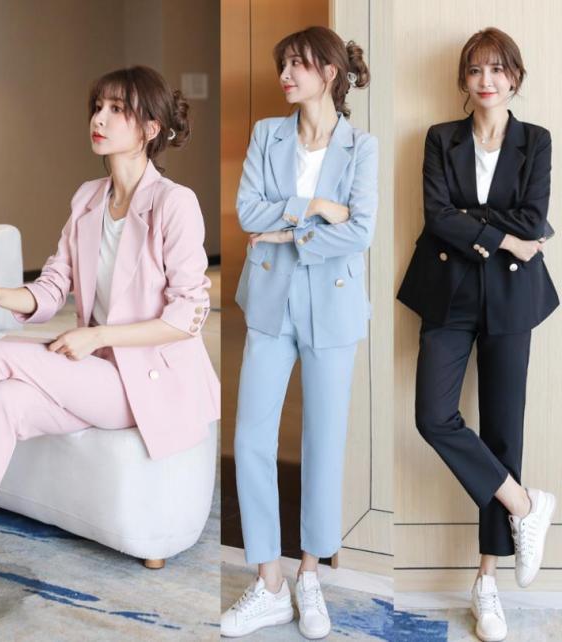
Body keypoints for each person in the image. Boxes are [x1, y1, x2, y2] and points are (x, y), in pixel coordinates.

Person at [0, 65, 219, 633]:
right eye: (97, 107)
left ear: (150, 128)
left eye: (117, 110)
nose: (99, 119)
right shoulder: (88, 199)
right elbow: (54, 285)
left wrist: (99, 335)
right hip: (93, 374)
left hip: (144, 382)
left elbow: (188, 315)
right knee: (3, 400)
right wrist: (0, 294)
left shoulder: (174, 203)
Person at [397, 27, 558, 642]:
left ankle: (486, 583)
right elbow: (438, 216)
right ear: (463, 80)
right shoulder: (441, 138)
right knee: (433, 416)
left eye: (497, 69)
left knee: (502, 431)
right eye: (475, 70)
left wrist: (482, 225)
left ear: (514, 77)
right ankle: (525, 505)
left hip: (512, 300)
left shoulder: (535, 140)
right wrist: (504, 236)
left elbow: (534, 217)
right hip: (450, 295)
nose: (486, 80)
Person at [220, 26, 378, 639]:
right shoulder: (268, 134)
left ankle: (310, 574)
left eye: (297, 64)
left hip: (332, 308)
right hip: (269, 302)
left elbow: (360, 231)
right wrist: (313, 208)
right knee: (251, 439)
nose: (285, 74)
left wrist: (287, 230)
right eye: (282, 64)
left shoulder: (361, 147)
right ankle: (269, 582)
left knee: (323, 442)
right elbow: (247, 211)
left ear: (329, 73)